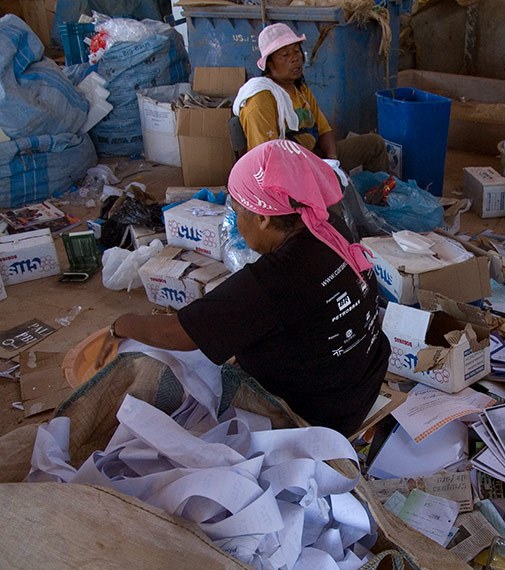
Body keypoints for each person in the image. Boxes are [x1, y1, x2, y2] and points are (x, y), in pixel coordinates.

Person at [97, 140, 391, 436]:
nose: (236, 222)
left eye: (238, 211)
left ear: (263, 218)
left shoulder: (275, 278)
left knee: (164, 369)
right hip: (362, 382)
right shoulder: (327, 225)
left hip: (320, 415)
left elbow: (178, 333)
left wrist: (120, 325)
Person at [233, 23, 390, 174]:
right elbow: (266, 160)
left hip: (314, 157)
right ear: (269, 64)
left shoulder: (299, 88)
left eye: (296, 51)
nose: (294, 59)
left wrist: (332, 162)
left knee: (374, 144)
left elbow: (324, 130)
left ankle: (378, 197)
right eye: (285, 55)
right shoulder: (260, 100)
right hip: (288, 171)